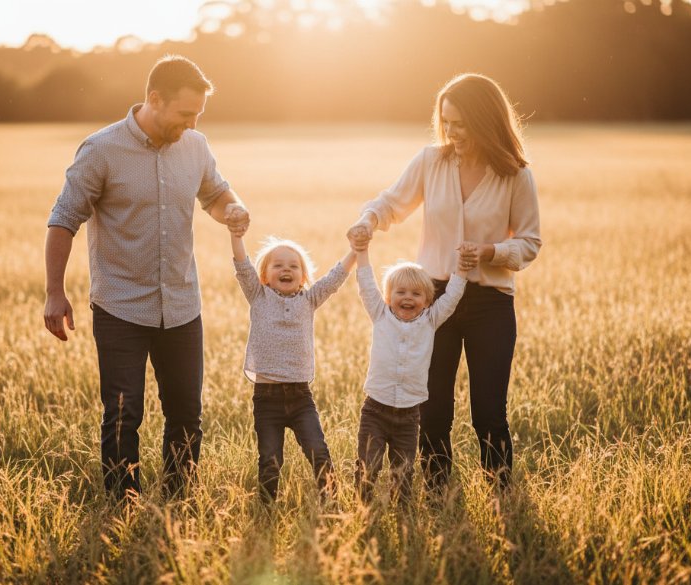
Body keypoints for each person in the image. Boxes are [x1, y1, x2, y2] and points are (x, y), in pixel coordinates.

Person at [43, 55, 250, 501]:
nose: (191, 124)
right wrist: (54, 293)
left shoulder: (195, 145)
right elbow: (63, 220)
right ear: (154, 99)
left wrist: (231, 208)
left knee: (186, 415)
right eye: (183, 114)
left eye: (197, 115)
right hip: (120, 307)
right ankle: (124, 504)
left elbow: (214, 193)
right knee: (122, 414)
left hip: (181, 305)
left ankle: (178, 502)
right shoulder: (101, 150)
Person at [347, 73, 542, 491]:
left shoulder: (515, 174)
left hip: (491, 303)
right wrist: (367, 221)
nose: (451, 132)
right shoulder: (430, 161)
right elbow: (390, 203)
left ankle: (501, 496)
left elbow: (529, 243)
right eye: (446, 122)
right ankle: (438, 495)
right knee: (434, 409)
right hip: (432, 302)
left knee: (488, 411)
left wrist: (490, 252)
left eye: (461, 123)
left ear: (486, 120)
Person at [230, 227, 356, 503]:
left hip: (300, 398)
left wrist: (356, 251)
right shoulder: (258, 295)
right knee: (270, 460)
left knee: (319, 452)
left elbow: (335, 279)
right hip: (267, 399)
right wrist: (235, 234)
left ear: (303, 277)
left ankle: (331, 503)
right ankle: (266, 508)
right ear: (265, 275)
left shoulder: (309, 300)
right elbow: (242, 266)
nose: (286, 269)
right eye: (278, 265)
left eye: (293, 266)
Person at [349, 233, 468, 505]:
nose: (407, 298)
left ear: (427, 300)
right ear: (389, 296)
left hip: (409, 415)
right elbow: (366, 284)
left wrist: (461, 269)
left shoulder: (430, 320)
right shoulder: (380, 315)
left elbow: (452, 297)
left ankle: (403, 517)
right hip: (375, 410)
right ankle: (361, 510)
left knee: (403, 472)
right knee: (369, 466)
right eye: (400, 292)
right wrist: (362, 251)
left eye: (416, 294)